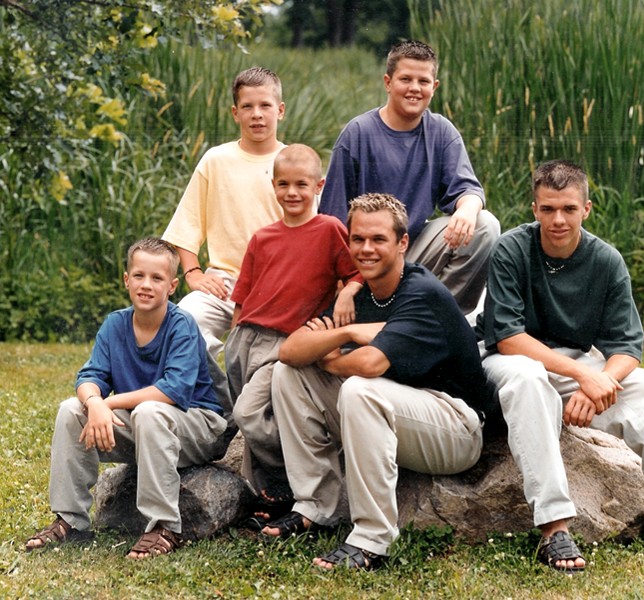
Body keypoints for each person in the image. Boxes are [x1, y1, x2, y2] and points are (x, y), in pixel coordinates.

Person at [477, 159, 644, 573]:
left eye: (569, 209)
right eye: (548, 209)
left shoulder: (606, 260)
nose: (558, 220)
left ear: (587, 208)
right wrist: (585, 376)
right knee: (529, 378)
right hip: (510, 362)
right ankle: (554, 529)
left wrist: (598, 383)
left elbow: (628, 346)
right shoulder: (511, 248)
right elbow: (508, 337)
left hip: (572, 365)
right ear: (534, 208)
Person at [263, 193, 495, 571]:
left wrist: (333, 358)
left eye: (378, 239)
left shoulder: (422, 293)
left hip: (455, 428)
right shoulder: (359, 295)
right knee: (288, 374)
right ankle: (315, 507)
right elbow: (290, 352)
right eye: (358, 239)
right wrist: (348, 332)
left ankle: (372, 540)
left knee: (359, 388)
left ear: (403, 243)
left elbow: (370, 364)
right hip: (399, 414)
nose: (366, 249)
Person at [25, 238, 227, 559]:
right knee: (71, 410)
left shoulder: (182, 325)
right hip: (145, 424)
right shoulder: (115, 324)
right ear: (126, 279)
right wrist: (94, 403)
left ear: (172, 286)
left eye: (157, 278)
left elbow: (172, 390)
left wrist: (108, 403)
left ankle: (164, 527)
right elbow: (89, 377)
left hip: (198, 428)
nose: (146, 285)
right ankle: (70, 521)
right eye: (139, 275)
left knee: (149, 411)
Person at [224, 144, 361, 510]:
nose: (292, 192)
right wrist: (235, 338)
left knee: (249, 413)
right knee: (254, 415)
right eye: (283, 184)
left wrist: (348, 292)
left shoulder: (329, 229)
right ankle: (268, 492)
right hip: (245, 339)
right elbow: (243, 297)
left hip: (286, 342)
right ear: (273, 186)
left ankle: (289, 476)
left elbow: (356, 272)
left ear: (319, 186)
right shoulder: (262, 237)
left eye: (301, 184)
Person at [318, 40, 500, 315]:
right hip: (367, 258)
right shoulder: (357, 133)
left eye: (423, 81)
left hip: (413, 250)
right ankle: (385, 312)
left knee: (485, 225)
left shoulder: (441, 131)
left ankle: (434, 316)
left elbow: (468, 190)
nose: (415, 88)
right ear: (388, 82)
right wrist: (347, 283)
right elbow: (332, 221)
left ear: (434, 87)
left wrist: (467, 209)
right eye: (405, 79)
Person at [163, 66, 286, 358]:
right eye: (247, 107)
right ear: (235, 113)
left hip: (278, 285)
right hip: (223, 285)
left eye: (265, 105)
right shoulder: (216, 160)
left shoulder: (293, 161)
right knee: (182, 324)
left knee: (265, 357)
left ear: (280, 110)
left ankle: (247, 385)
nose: (257, 114)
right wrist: (193, 272)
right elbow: (186, 225)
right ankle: (215, 387)